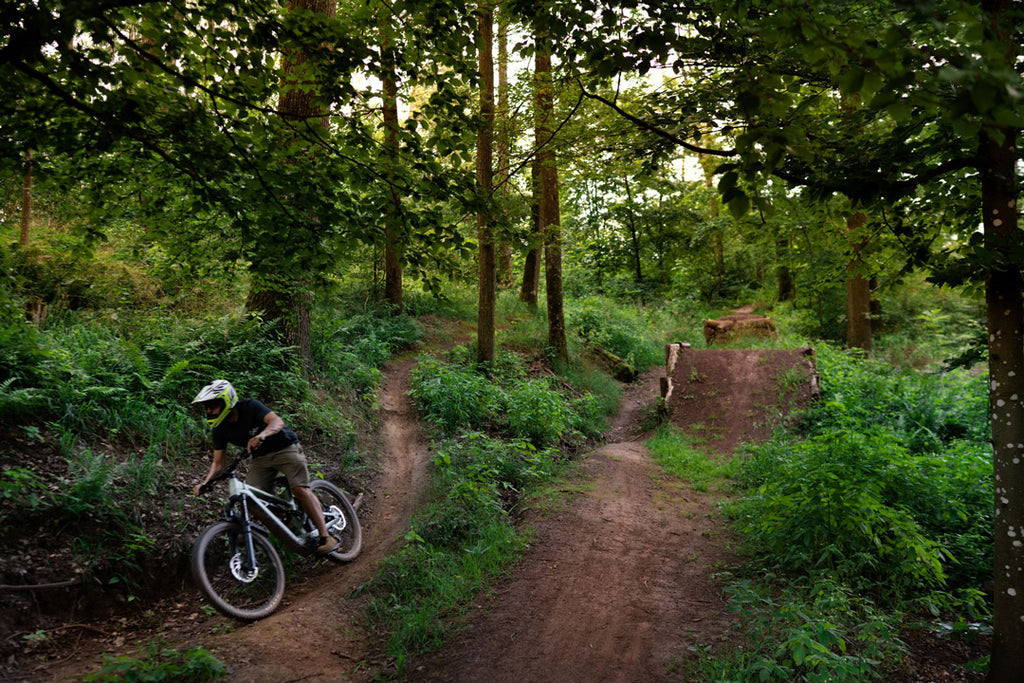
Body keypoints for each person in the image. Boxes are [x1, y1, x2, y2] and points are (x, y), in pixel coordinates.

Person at [191, 379, 339, 554]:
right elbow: (218, 462)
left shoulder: (250, 407)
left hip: (285, 448)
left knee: (300, 490)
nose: (209, 411)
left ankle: (326, 536)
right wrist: (205, 482)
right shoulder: (219, 429)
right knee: (253, 502)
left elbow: (277, 422)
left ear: (227, 400)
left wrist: (262, 436)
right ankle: (287, 521)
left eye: (213, 405)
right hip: (260, 459)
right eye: (207, 407)